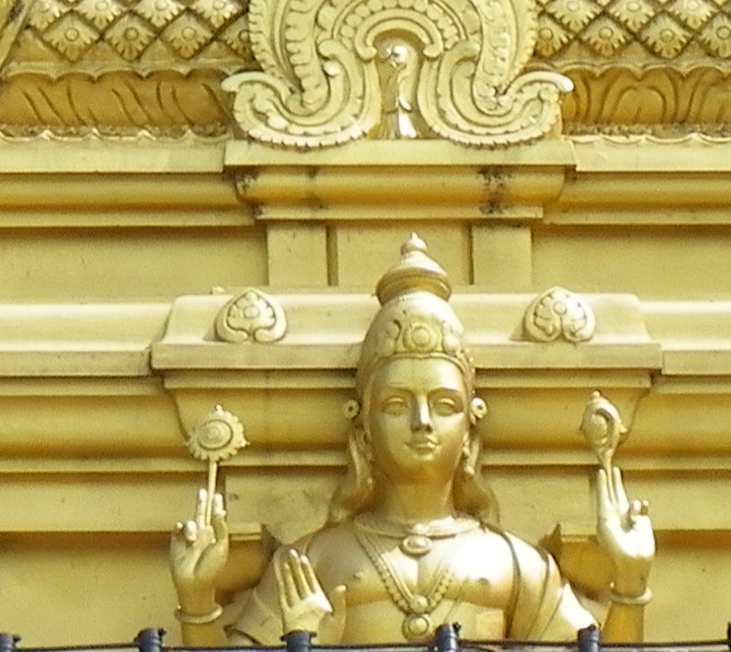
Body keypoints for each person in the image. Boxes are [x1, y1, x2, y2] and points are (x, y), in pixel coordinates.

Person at [171, 241, 648, 645]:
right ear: (362, 428)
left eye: (444, 405)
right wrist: (200, 603)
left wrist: (629, 581)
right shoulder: (310, 562)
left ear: (470, 429)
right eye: (397, 405)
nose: (422, 423)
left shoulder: (518, 564)